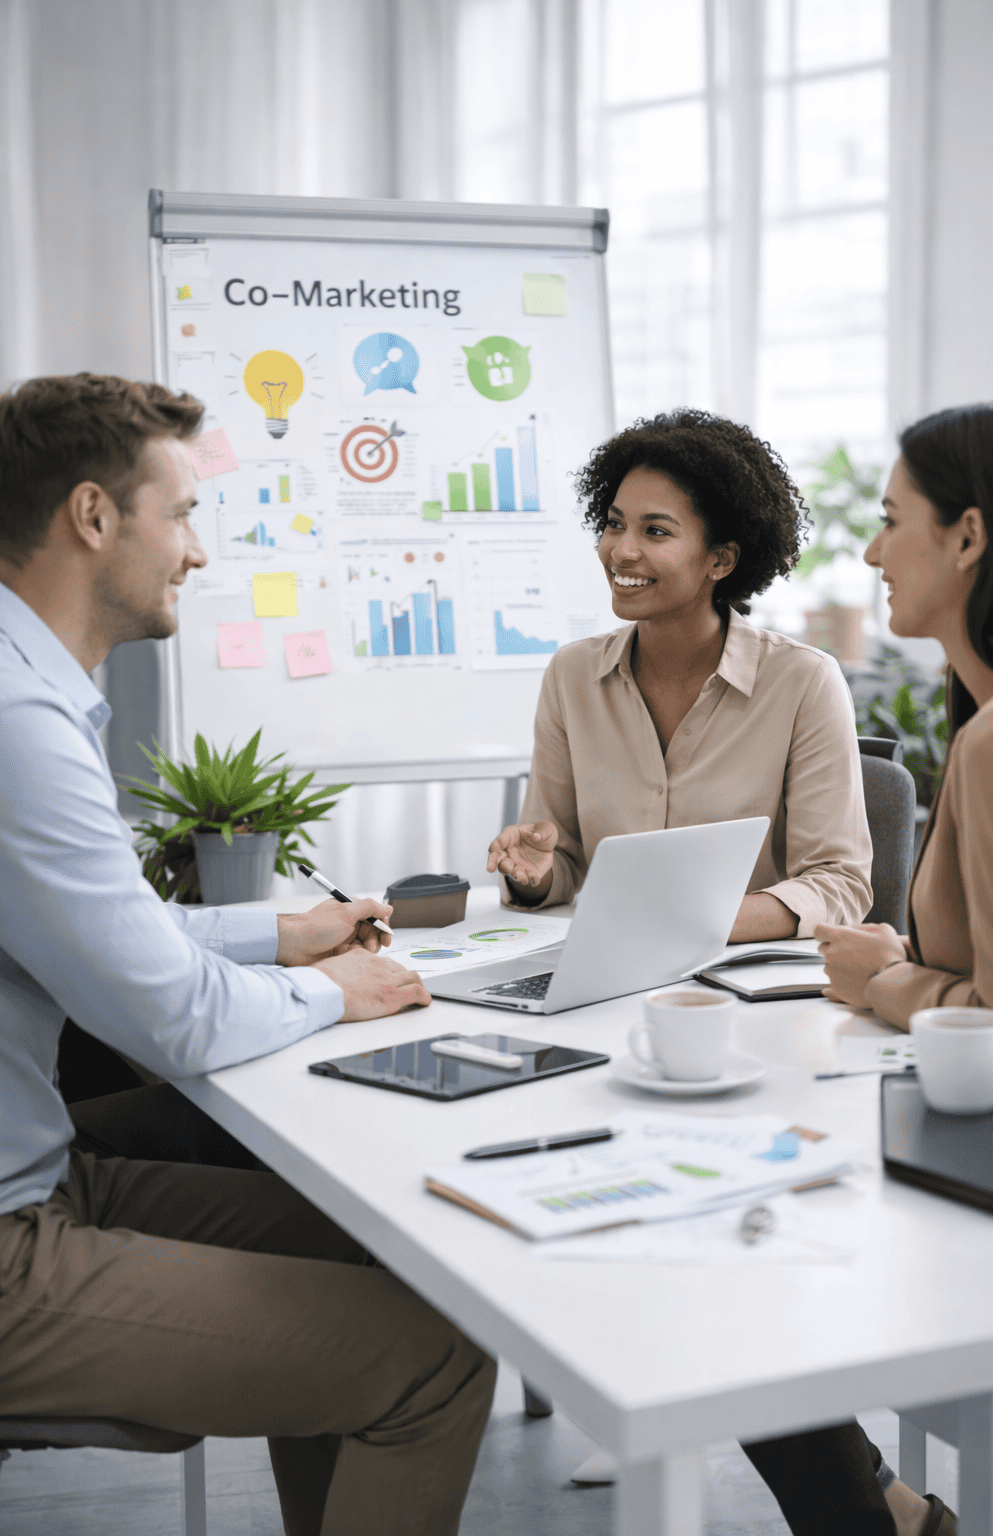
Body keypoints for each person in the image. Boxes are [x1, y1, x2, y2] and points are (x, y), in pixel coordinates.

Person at [0, 374, 495, 1536]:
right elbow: (168, 1018)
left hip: (45, 1181)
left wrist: (285, 929)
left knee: (397, 1254)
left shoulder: (29, 692)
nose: (199, 553)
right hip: (14, 1246)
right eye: (180, 514)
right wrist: (328, 986)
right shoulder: (18, 724)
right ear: (92, 516)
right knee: (433, 1362)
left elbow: (107, 927)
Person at [748, 399, 993, 1536]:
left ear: (967, 537)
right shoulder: (992, 722)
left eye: (887, 517)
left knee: (735, 1258)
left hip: (989, 1166)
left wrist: (878, 977)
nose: (867, 551)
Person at [487, 409, 873, 939]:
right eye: (615, 524)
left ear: (720, 560)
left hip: (743, 979)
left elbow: (838, 884)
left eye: (656, 531)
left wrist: (693, 923)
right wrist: (535, 873)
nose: (622, 550)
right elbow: (564, 864)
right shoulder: (572, 675)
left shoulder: (804, 682)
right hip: (608, 967)